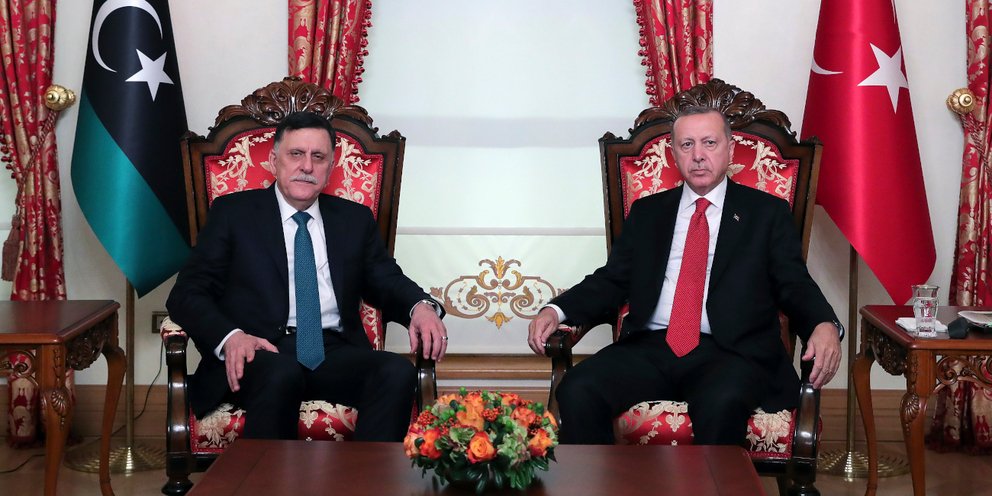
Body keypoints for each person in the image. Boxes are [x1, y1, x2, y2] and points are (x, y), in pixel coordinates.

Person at [527, 106, 842, 445]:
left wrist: (823, 323)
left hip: (732, 352)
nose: (698, 155)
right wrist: (556, 310)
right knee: (578, 388)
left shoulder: (766, 213)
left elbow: (793, 282)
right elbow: (612, 279)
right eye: (687, 145)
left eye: (709, 142)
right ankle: (610, 477)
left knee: (720, 403)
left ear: (730, 150)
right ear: (674, 153)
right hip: (652, 346)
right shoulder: (648, 212)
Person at [167, 111, 447, 441]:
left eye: (318, 157)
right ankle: (267, 474)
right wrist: (231, 338)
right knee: (281, 373)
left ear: (331, 166)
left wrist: (420, 307)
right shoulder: (233, 214)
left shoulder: (353, 219)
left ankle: (366, 472)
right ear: (274, 161)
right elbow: (187, 293)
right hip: (260, 351)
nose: (307, 166)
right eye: (296, 154)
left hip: (333, 350)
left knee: (396, 372)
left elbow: (386, 278)